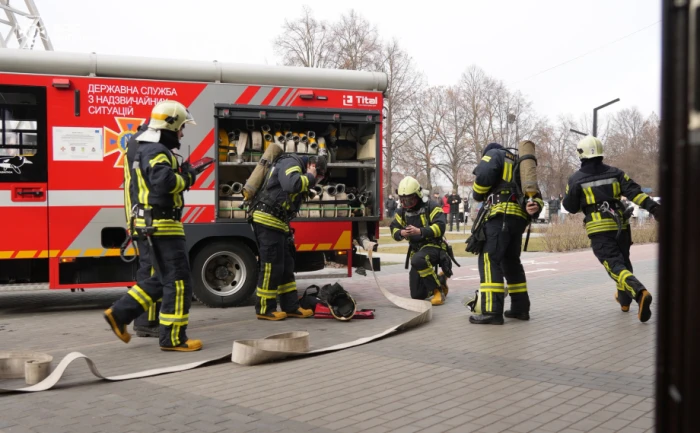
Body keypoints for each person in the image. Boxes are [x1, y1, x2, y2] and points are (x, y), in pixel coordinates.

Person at [103, 99, 202, 352]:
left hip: (150, 224)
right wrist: (189, 176)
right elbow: (164, 182)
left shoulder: (144, 148)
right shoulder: (157, 150)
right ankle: (173, 338)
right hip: (162, 226)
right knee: (179, 281)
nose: (181, 133)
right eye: (180, 128)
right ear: (170, 126)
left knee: (161, 279)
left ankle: (119, 314)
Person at [563, 136, 659, 323]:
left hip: (599, 229)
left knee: (614, 266)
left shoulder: (576, 179)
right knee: (623, 262)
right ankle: (624, 301)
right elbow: (635, 194)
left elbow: (570, 207)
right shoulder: (616, 173)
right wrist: (655, 209)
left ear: (581, 154)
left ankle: (640, 293)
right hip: (621, 227)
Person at [469, 142, 544, 325]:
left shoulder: (494, 153)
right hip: (518, 220)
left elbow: (483, 177)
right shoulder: (521, 164)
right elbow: (536, 199)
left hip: (499, 217)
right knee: (511, 262)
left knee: (489, 259)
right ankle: (520, 309)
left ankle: (492, 311)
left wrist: (477, 193)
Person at [249, 153, 328, 320]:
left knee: (286, 265)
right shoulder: (290, 162)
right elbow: (292, 184)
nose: (317, 180)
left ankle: (291, 306)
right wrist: (310, 177)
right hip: (267, 219)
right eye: (318, 175)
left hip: (279, 222)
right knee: (272, 265)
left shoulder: (299, 169)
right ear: (311, 166)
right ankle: (264, 308)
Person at [123, 119, 162, 339]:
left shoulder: (135, 143)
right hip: (145, 219)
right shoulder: (144, 145)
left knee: (150, 268)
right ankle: (145, 321)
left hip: (138, 217)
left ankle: (144, 319)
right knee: (151, 270)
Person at [390, 176, 449, 305]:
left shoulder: (431, 206)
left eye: (410, 200)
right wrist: (401, 232)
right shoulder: (402, 211)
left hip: (434, 247)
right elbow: (393, 228)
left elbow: (441, 227)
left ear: (418, 195)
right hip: (417, 251)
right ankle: (440, 280)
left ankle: (437, 291)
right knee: (417, 295)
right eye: (403, 200)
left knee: (418, 259)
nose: (406, 204)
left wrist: (420, 231)